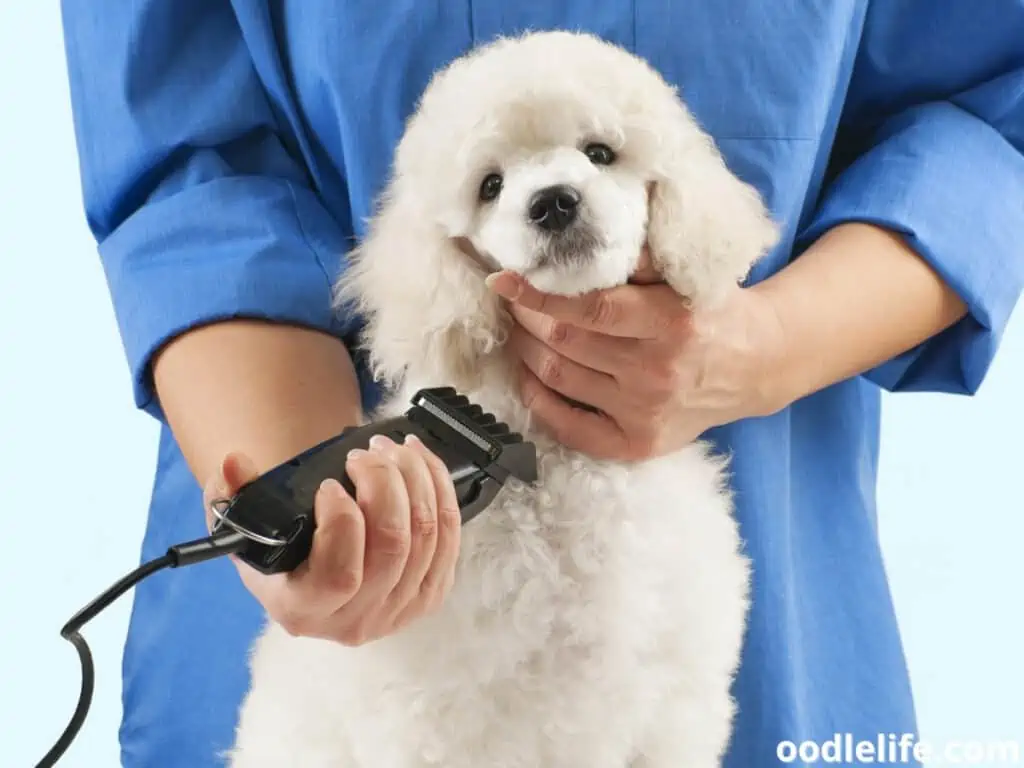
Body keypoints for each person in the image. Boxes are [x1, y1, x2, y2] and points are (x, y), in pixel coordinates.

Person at [59, 2, 1023, 766]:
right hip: (347, 574)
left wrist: (763, 342)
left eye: (598, 156)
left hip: (781, 573)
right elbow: (191, 166)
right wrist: (327, 504)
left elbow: (995, 109)